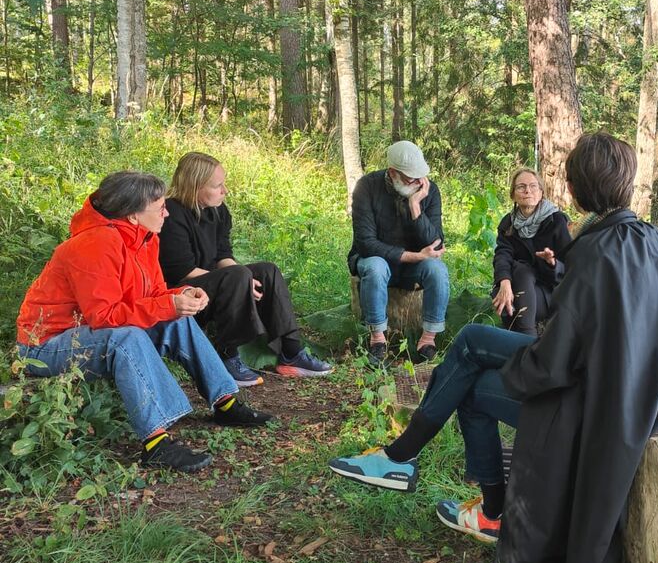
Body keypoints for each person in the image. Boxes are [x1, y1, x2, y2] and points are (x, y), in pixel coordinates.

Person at [330, 132, 658, 563]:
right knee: (473, 347)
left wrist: (521, 366)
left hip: (591, 402)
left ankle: (422, 469)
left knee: (471, 373)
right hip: (631, 387)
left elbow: (555, 363)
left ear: (579, 184)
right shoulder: (649, 238)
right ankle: (461, 494)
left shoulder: (596, 249)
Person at [16, 171, 273, 474]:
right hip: (44, 347)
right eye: (160, 207)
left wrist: (182, 296)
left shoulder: (144, 238)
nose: (167, 212)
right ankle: (156, 445)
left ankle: (226, 404)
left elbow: (153, 296)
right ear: (133, 214)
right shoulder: (95, 244)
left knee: (177, 319)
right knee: (127, 338)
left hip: (88, 334)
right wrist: (168, 304)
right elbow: (105, 317)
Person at [159, 153, 332, 387]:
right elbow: (182, 271)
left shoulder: (218, 211)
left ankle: (291, 352)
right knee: (238, 276)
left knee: (266, 271)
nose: (225, 190)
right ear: (195, 186)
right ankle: (226, 354)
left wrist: (245, 280)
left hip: (215, 283)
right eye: (217, 186)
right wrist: (238, 281)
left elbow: (223, 255)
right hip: (183, 292)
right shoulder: (172, 214)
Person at [348, 140, 449, 367]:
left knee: (437, 269)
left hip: (414, 267)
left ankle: (427, 341)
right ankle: (378, 340)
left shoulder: (428, 191)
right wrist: (414, 256)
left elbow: (436, 243)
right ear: (393, 173)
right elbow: (366, 244)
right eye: (409, 178)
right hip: (377, 261)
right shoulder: (367, 187)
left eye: (419, 177)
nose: (416, 182)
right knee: (375, 267)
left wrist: (415, 206)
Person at [492, 168, 572, 335]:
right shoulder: (508, 223)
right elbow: (502, 255)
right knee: (520, 271)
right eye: (521, 187)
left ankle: (526, 338)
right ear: (513, 194)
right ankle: (526, 340)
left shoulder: (557, 220)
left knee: (521, 270)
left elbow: (570, 266)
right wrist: (504, 282)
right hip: (518, 290)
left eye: (533, 186)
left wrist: (553, 264)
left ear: (541, 192)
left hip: (550, 292)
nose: (528, 190)